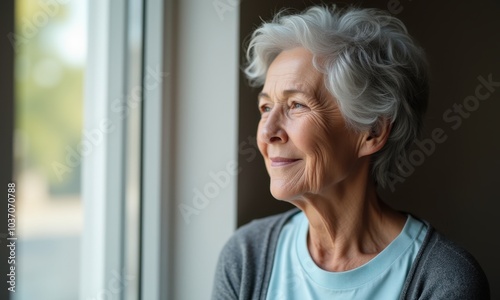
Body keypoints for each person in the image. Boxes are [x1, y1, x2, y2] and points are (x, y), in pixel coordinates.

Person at [211, 5, 490, 300]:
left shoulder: (443, 279)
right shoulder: (246, 256)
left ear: (371, 132)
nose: (267, 133)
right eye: (266, 107)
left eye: (297, 105)